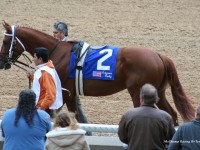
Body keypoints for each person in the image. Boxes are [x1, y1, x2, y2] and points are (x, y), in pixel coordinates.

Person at [118, 83, 175, 150]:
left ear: (141, 99)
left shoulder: (128, 115)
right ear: (155, 100)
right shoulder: (166, 117)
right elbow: (171, 139)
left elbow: (122, 137)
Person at [53, 20, 89, 125]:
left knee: (55, 109)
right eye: (53, 32)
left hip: (68, 83)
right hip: (67, 84)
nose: (53, 35)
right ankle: (88, 131)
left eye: (56, 33)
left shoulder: (70, 45)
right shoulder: (55, 46)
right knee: (77, 111)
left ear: (63, 33)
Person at [27, 47, 63, 118]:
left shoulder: (46, 73)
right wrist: (32, 77)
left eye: (34, 57)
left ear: (40, 59)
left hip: (44, 111)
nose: (33, 59)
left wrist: (41, 108)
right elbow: (41, 84)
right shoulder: (46, 69)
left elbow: (50, 95)